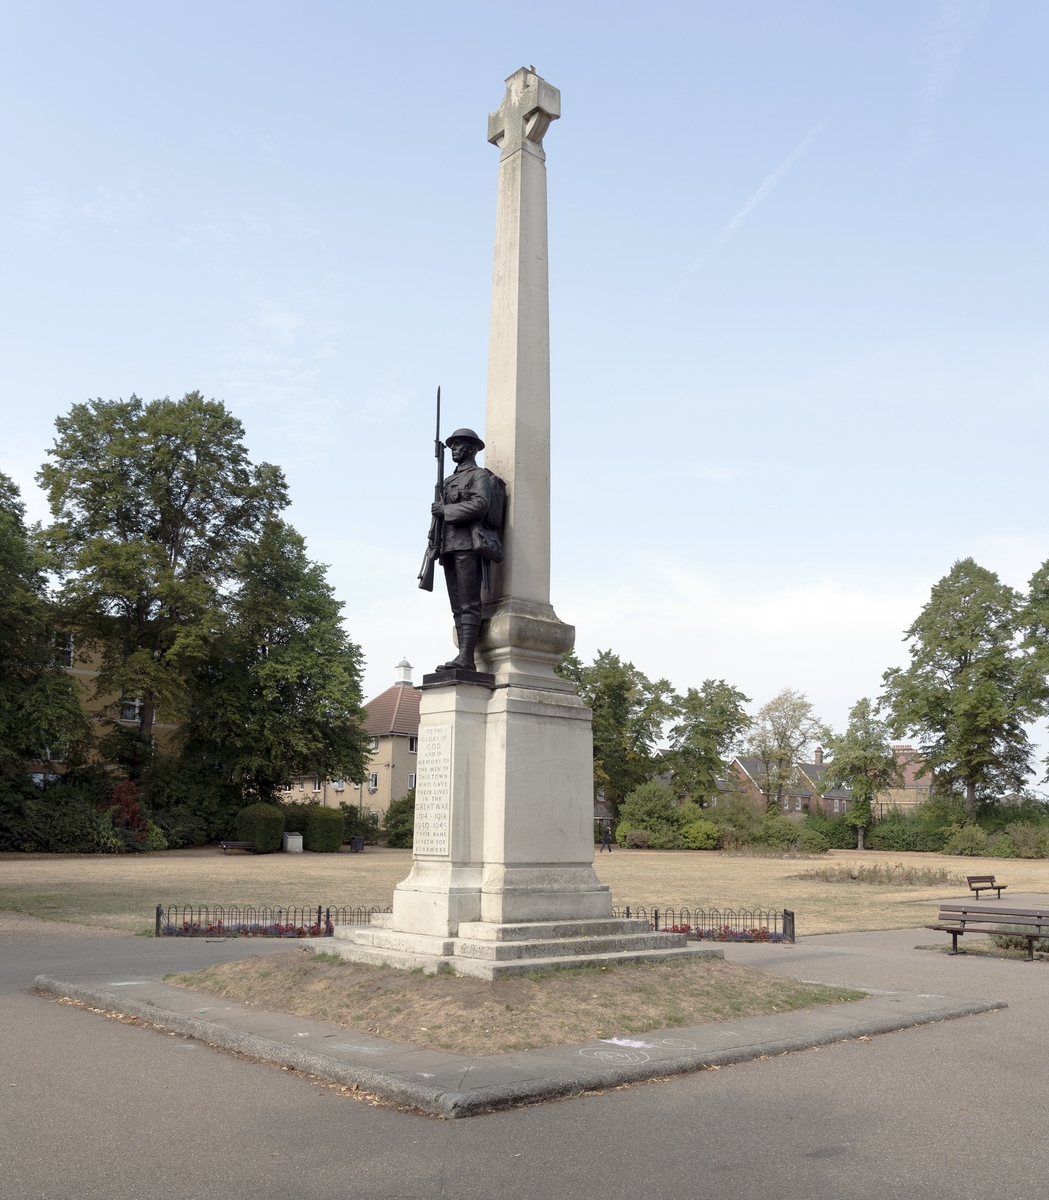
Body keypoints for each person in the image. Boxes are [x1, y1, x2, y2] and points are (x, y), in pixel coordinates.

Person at [430, 428, 503, 671]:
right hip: (448, 546)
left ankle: (467, 658)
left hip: (467, 546)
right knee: (457, 605)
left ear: (472, 448)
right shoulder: (448, 480)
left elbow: (480, 505)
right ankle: (462, 655)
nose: (454, 449)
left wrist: (446, 511)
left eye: (459, 445)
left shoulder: (478, 475)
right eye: (452, 445)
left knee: (469, 603)